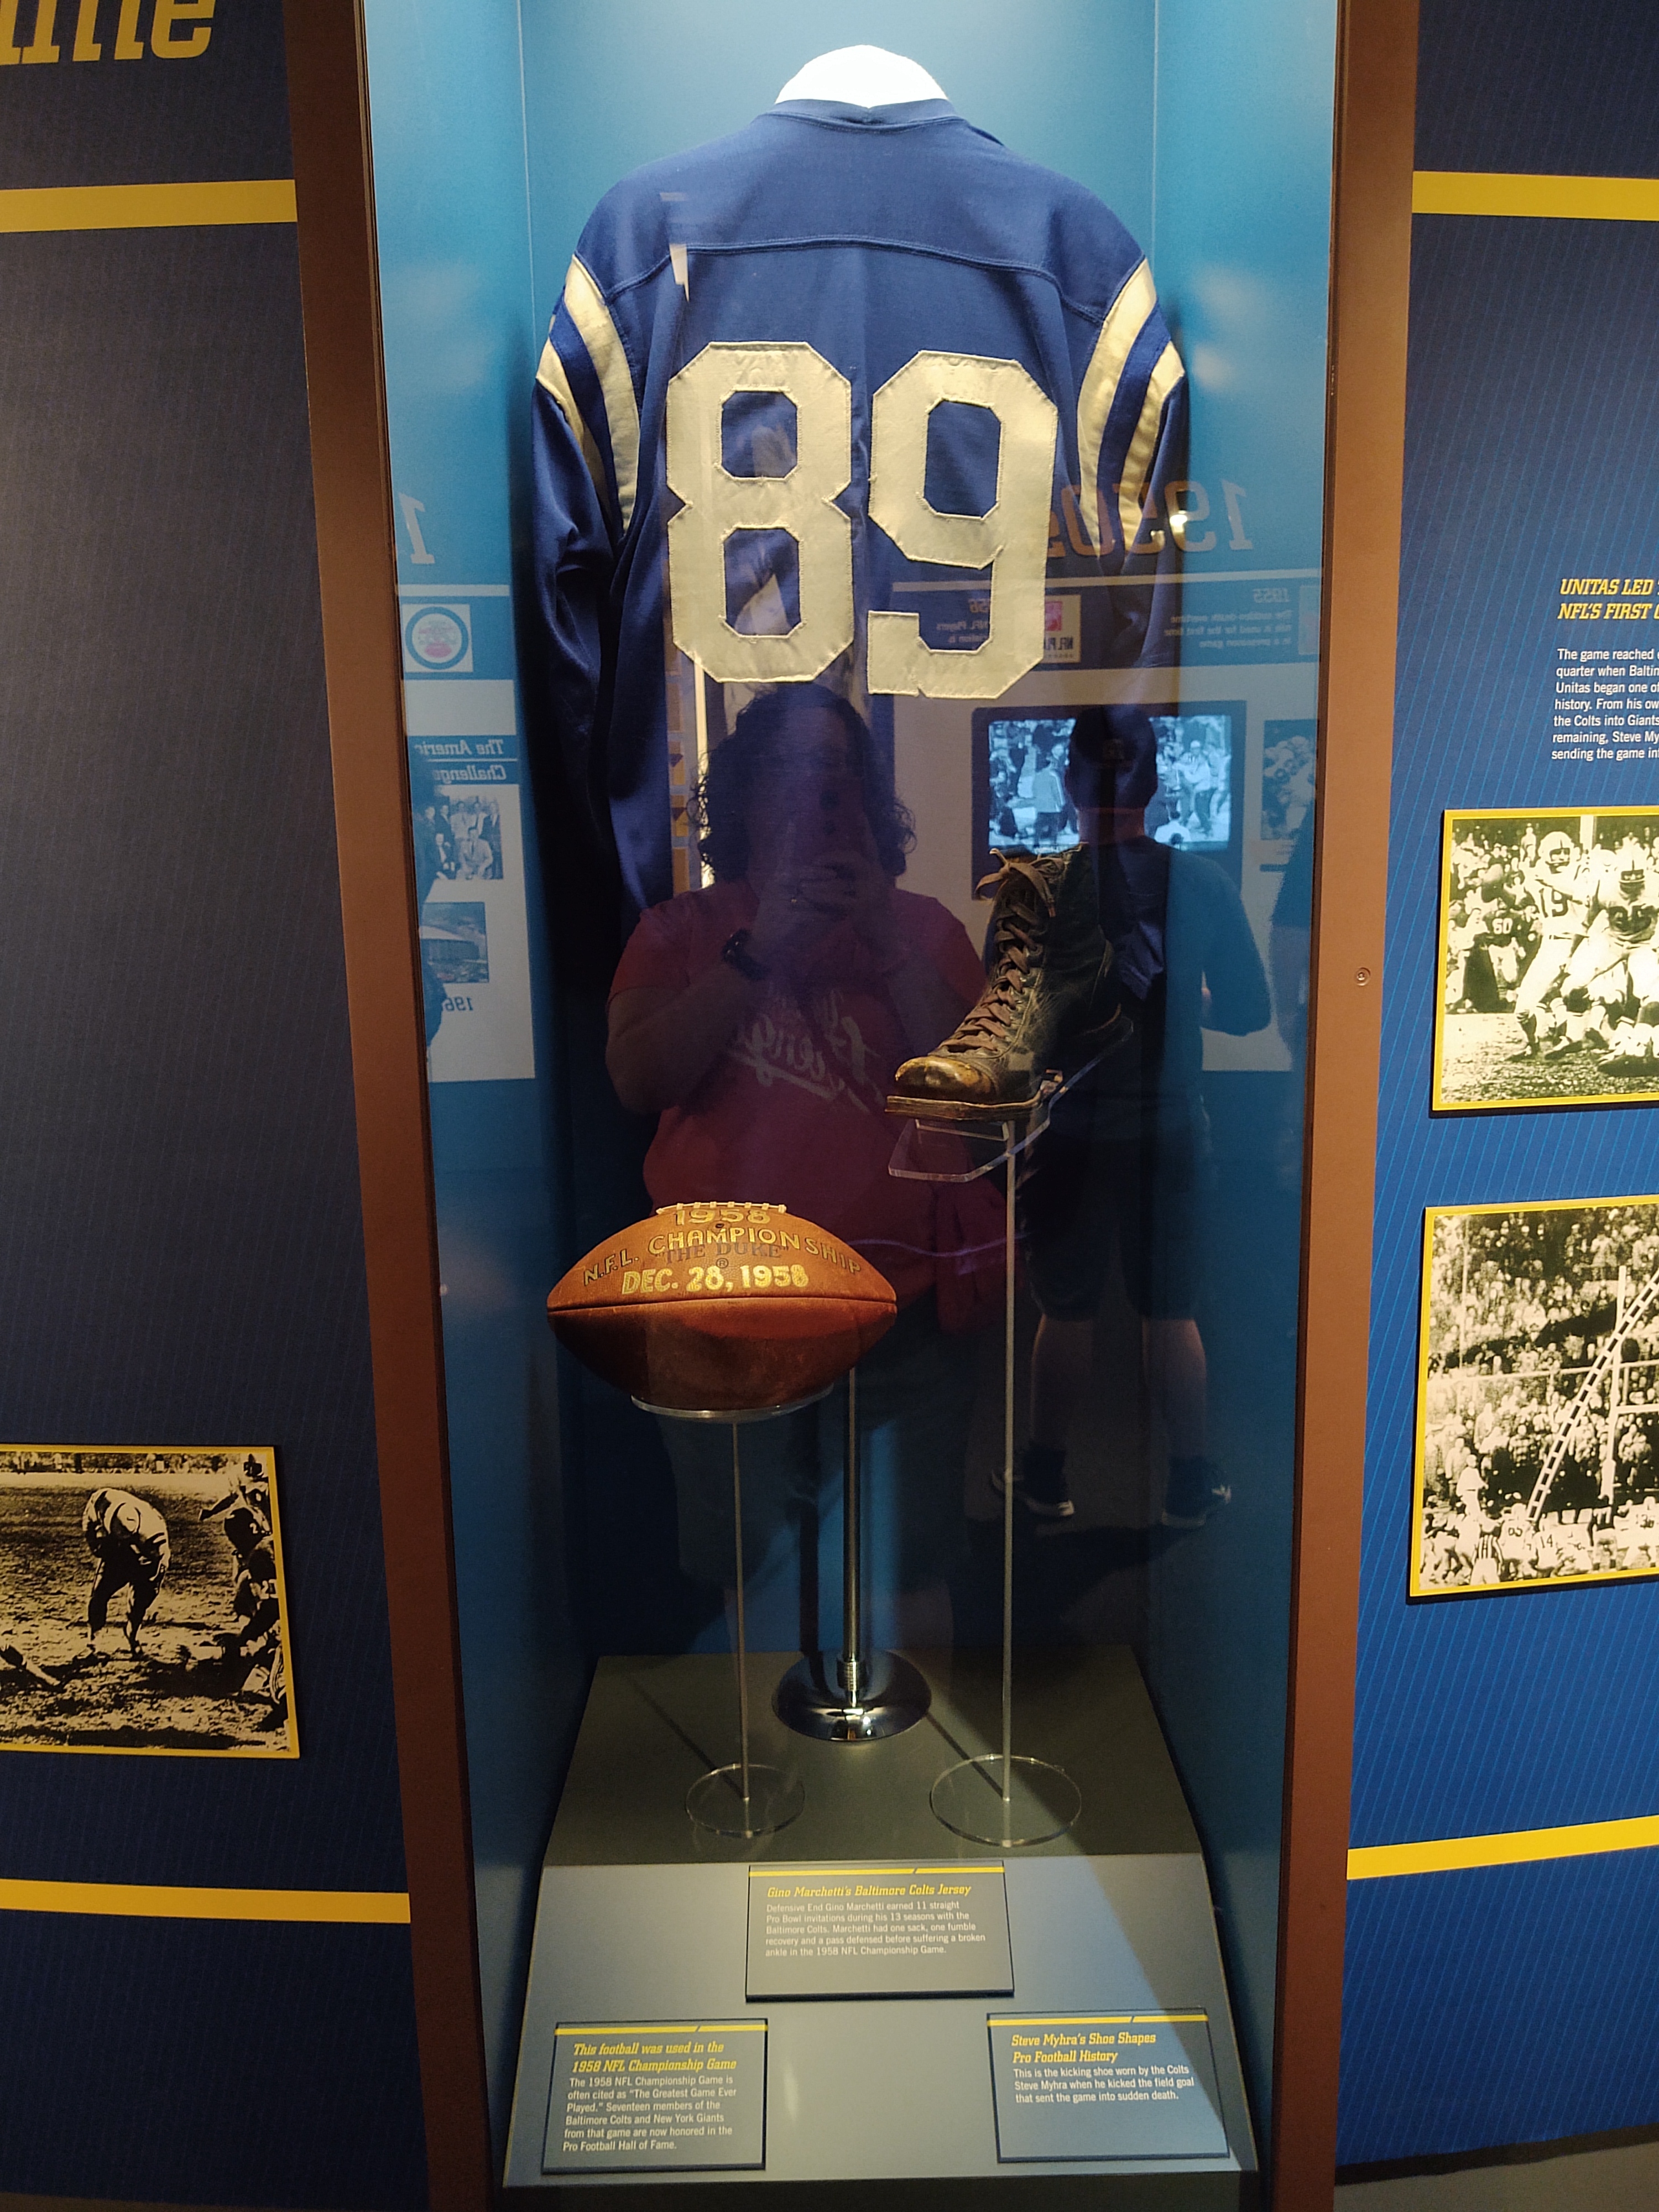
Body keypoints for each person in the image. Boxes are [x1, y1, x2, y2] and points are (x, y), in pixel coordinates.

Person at [605, 684, 998, 1645]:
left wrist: (887, 941)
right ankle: (784, 1742)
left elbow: (978, 1098)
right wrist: (758, 951)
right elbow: (639, 1078)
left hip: (897, 1306)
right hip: (721, 1311)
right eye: (790, 769)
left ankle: (904, 1740)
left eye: (837, 771)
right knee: (756, 1575)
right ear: (745, 790)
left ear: (865, 794)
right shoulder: (678, 930)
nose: (815, 791)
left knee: (907, 1571)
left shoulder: (927, 929)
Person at [1006, 707, 1271, 1523]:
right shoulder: (1202, 884)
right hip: (1171, 1130)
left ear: (1067, 783)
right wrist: (1186, 1003)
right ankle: (1191, 1481)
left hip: (1069, 1130)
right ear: (1155, 784)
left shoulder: (1035, 887)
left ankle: (1046, 1478)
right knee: (1172, 1312)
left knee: (1065, 1311)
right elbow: (1251, 1011)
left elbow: (1006, 1024)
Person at [82, 1487, 170, 1656]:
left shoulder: (153, 1532)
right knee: (99, 1594)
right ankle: (93, 1641)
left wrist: (153, 1583)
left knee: (141, 1600)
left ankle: (132, 1634)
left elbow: (161, 1561)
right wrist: (94, 1544)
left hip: (145, 1555)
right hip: (116, 1551)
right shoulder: (101, 1500)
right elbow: (88, 1521)